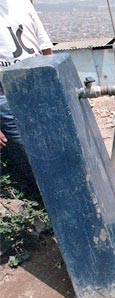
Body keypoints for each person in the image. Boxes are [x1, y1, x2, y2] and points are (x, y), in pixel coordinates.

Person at [1, 0, 53, 196]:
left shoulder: (21, 3)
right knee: (31, 160)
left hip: (37, 85)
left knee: (55, 147)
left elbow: (46, 48)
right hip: (5, 93)